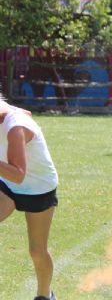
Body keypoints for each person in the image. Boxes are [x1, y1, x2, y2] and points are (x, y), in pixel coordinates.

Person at [0, 98, 58, 300]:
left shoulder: (15, 126)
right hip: (6, 182)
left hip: (38, 186)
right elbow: (27, 112)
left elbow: (18, 174)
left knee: (37, 251)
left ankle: (45, 295)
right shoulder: (8, 111)